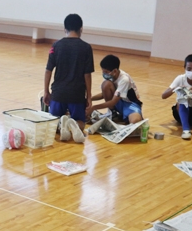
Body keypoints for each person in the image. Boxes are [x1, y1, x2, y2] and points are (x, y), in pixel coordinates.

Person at [43, 13, 94, 143]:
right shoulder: (86, 48)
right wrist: (88, 96)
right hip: (76, 94)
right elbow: (87, 75)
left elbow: (48, 70)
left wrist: (46, 91)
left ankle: (61, 125)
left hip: (58, 93)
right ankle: (73, 125)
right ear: (81, 29)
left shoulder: (56, 46)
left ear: (64, 29)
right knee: (82, 123)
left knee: (52, 123)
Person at [87, 54, 143, 124]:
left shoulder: (124, 79)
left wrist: (94, 107)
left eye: (106, 72)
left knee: (135, 121)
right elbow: (103, 94)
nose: (104, 74)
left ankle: (126, 116)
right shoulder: (109, 77)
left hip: (130, 104)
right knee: (106, 84)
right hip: (118, 102)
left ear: (115, 71)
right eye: (103, 71)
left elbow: (114, 101)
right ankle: (113, 113)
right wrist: (89, 99)